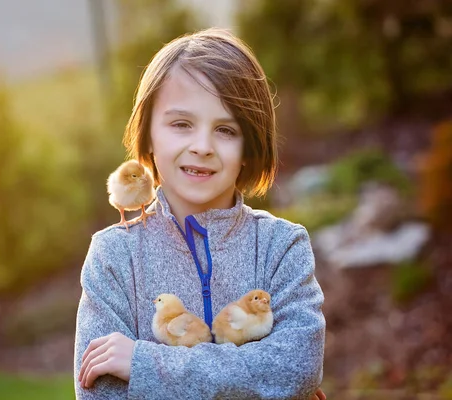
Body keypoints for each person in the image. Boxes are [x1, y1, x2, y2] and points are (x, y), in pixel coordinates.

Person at [74, 28, 327, 399]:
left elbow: (297, 366)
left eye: (225, 130)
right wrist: (260, 382)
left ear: (249, 147)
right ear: (148, 136)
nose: (203, 147)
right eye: (181, 124)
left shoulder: (281, 246)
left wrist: (144, 364)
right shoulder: (113, 257)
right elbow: (102, 393)